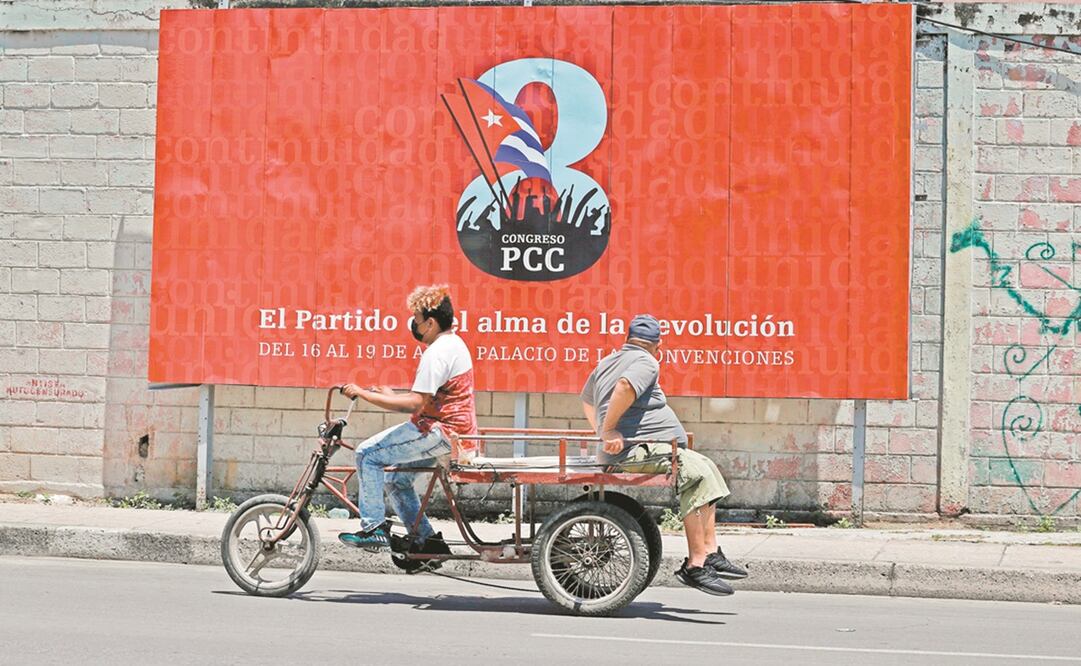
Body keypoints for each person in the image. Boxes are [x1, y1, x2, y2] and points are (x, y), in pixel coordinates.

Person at [580, 314, 748, 596]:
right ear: (659, 345)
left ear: (628, 339)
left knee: (705, 465)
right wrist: (608, 431)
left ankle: (711, 550)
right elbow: (624, 387)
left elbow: (586, 400)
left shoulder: (608, 360)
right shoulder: (646, 361)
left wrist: (601, 429)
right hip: (633, 450)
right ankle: (695, 565)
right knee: (693, 472)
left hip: (640, 447)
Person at [338, 284, 476, 560]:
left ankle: (373, 527)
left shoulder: (437, 353)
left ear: (430, 323)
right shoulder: (452, 343)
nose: (413, 324)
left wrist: (364, 394)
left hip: (441, 431)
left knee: (367, 455)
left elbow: (415, 404)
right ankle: (426, 543)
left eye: (416, 318)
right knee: (397, 480)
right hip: (452, 432)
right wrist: (390, 395)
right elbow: (424, 396)